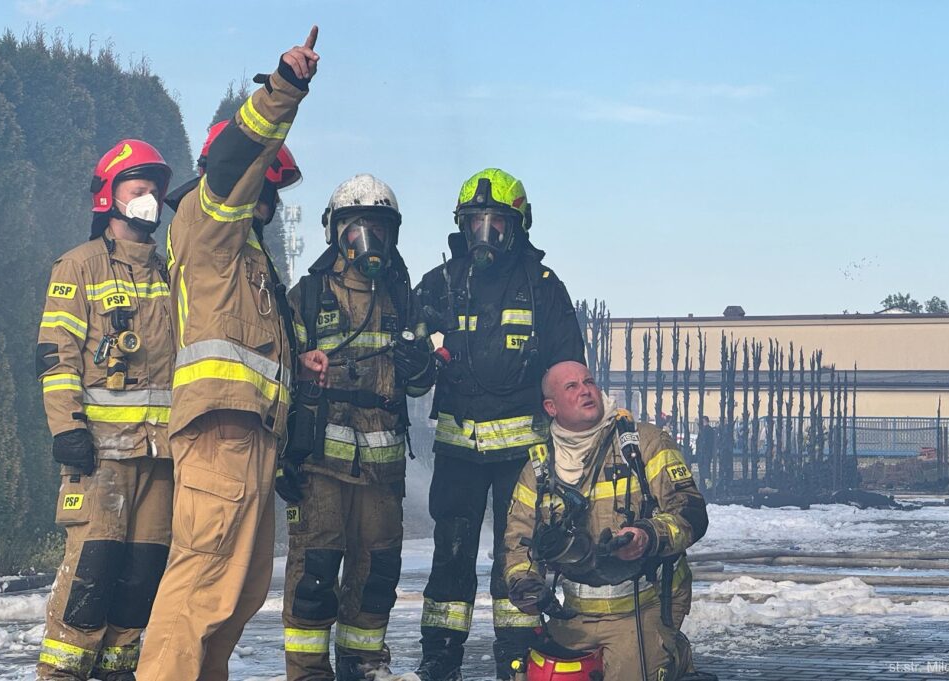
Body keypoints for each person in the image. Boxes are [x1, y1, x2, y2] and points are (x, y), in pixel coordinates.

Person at [136, 28, 328, 681]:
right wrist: (285, 89)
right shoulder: (208, 218)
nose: (270, 203)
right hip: (221, 431)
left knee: (236, 596)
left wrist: (297, 367)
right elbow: (232, 160)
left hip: (250, 436)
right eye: (269, 187)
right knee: (200, 589)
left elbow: (245, 341)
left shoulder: (243, 255)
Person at [411, 168, 586, 680]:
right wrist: (417, 355)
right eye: (475, 222)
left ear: (518, 226)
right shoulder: (440, 284)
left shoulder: (543, 289)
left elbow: (568, 368)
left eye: (496, 223)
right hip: (458, 452)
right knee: (451, 554)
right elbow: (407, 355)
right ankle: (440, 659)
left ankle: (517, 656)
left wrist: (574, 445)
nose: (483, 233)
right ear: (462, 226)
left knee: (520, 556)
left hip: (524, 459)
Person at [277, 174, 436, 680]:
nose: (369, 238)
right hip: (321, 465)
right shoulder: (307, 296)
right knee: (316, 571)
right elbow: (281, 375)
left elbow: (418, 386)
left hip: (382, 472)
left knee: (377, 574)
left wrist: (419, 365)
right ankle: (308, 671)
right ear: (336, 232)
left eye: (378, 228)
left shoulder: (401, 300)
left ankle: (364, 663)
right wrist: (284, 456)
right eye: (357, 226)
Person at [35, 140, 175, 681]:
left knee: (141, 577)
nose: (149, 199)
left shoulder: (169, 274)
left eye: (155, 191)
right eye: (138, 188)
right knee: (91, 575)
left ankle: (118, 672)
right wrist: (67, 428)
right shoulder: (79, 266)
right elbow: (56, 355)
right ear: (109, 196)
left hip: (160, 456)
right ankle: (62, 674)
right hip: (100, 454)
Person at [503, 361, 713, 680]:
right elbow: (518, 542)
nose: (585, 390)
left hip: (644, 603)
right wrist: (525, 583)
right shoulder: (539, 468)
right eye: (572, 387)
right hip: (574, 613)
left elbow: (691, 512)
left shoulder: (644, 443)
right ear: (551, 407)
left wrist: (648, 535)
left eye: (588, 381)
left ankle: (672, 657)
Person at [696, 415, 717, 490]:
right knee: (706, 468)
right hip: (707, 453)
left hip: (704, 453)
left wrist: (700, 450)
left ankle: (705, 485)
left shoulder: (704, 430)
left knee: (704, 468)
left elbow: (701, 442)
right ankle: (706, 484)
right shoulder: (711, 430)